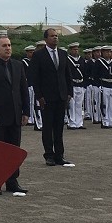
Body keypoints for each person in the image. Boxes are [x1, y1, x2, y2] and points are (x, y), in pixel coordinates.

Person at [0, 36, 30, 196]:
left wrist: (26, 112)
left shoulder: (18, 66)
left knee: (13, 151)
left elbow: (24, 90)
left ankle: (12, 181)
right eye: (4, 46)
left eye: (9, 45)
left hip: (16, 115)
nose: (8, 48)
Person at [28, 28, 75, 167]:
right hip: (47, 97)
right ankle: (49, 155)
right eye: (52, 36)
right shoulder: (39, 55)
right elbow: (34, 77)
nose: (55, 38)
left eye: (56, 36)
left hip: (61, 96)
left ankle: (59, 155)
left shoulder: (62, 53)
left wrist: (69, 93)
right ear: (46, 39)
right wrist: (39, 95)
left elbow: (67, 75)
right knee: (48, 127)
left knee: (59, 127)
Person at [65, 42, 86, 130]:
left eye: (77, 49)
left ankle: (79, 122)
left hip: (80, 83)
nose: (76, 51)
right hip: (72, 84)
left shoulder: (81, 60)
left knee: (79, 104)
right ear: (70, 50)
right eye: (74, 49)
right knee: (71, 105)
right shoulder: (67, 59)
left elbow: (84, 72)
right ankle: (72, 122)